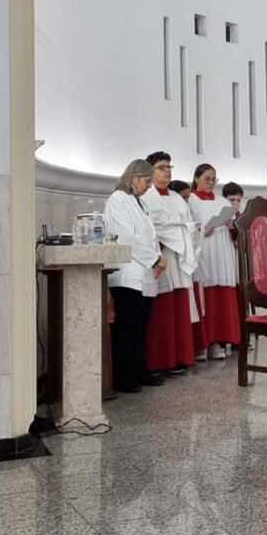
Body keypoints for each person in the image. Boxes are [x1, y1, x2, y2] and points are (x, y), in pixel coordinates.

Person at [104, 159, 166, 393]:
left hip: (143, 272)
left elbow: (150, 235)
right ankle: (123, 376)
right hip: (127, 273)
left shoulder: (139, 202)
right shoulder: (118, 199)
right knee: (127, 328)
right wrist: (155, 259)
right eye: (147, 181)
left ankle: (138, 370)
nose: (149, 186)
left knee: (140, 328)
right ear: (134, 177)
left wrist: (157, 258)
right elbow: (125, 236)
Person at [140, 151, 200, 375]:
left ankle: (178, 357)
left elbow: (188, 224)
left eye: (169, 167)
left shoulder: (176, 197)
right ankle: (158, 361)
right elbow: (149, 227)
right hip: (160, 256)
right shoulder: (145, 196)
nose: (167, 171)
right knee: (161, 312)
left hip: (179, 257)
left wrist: (187, 233)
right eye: (162, 167)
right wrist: (174, 234)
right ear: (150, 171)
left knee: (178, 309)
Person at [188, 164, 241, 361]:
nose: (211, 183)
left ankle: (217, 342)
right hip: (204, 250)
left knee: (220, 299)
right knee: (204, 297)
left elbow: (234, 230)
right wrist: (203, 231)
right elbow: (187, 228)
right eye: (207, 179)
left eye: (214, 179)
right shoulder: (190, 200)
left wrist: (230, 224)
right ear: (196, 178)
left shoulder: (222, 201)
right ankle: (201, 344)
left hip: (222, 250)